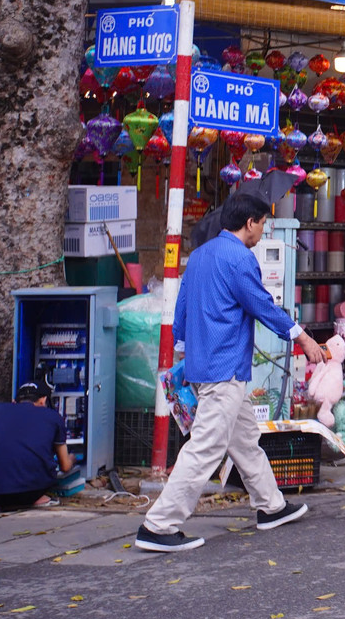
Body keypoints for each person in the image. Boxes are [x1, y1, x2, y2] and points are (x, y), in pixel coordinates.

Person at [135, 193, 326, 553]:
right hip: (225, 368)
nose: (263, 231)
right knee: (206, 448)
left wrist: (182, 350)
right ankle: (158, 525)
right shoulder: (240, 258)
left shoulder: (200, 255)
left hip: (203, 365)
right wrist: (302, 337)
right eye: (263, 224)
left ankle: (271, 506)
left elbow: (182, 308)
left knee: (244, 440)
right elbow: (262, 305)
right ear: (250, 223)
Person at [0, 381, 73, 513]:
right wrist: (72, 459)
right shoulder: (54, 417)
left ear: (14, 402)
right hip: (34, 492)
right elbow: (65, 466)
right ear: (43, 401)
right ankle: (41, 499)